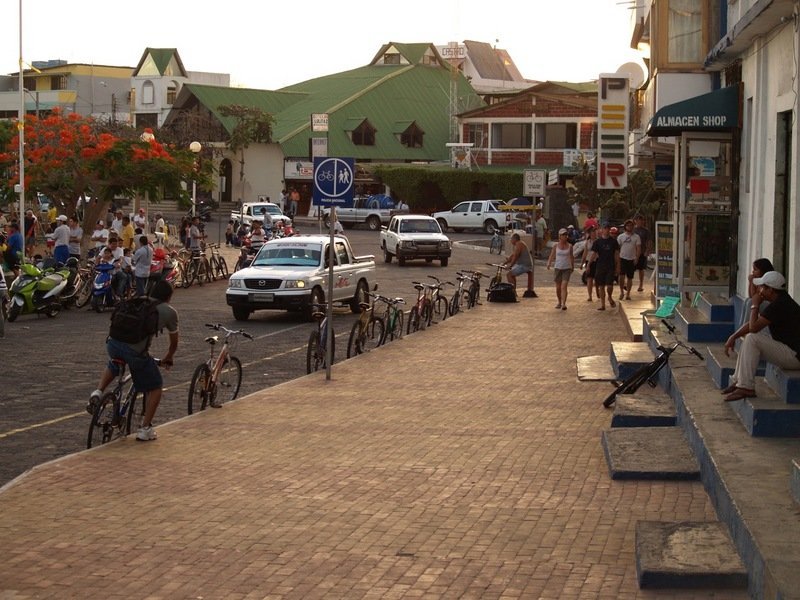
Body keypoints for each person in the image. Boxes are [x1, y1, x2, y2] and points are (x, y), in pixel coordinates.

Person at [88, 280, 179, 441]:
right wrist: (169, 357)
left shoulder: (136, 300)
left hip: (113, 343)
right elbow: (174, 342)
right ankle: (145, 428)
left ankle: (98, 391)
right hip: (135, 353)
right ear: (169, 295)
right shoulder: (169, 312)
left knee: (115, 362)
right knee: (155, 386)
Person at [722, 271, 800, 402]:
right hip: (789, 350)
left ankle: (746, 387)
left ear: (771, 290)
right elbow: (755, 323)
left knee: (752, 338)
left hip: (794, 357)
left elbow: (753, 328)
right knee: (751, 338)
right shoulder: (780, 300)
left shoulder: (780, 304)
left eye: (763, 287)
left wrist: (755, 304)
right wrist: (734, 336)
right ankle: (738, 381)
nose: (760, 290)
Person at [588, 223, 620, 311]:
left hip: (610, 265)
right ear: (602, 229)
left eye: (607, 228)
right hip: (600, 265)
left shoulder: (613, 242)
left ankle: (609, 296)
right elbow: (593, 254)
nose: (606, 230)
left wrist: (618, 266)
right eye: (605, 228)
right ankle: (603, 305)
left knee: (609, 285)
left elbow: (616, 254)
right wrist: (588, 264)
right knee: (601, 286)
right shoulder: (597, 242)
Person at [546, 228, 575, 310]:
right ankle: (559, 301)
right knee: (558, 287)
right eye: (563, 235)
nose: (565, 236)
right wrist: (549, 263)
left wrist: (572, 266)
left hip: (567, 268)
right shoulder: (556, 246)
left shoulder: (570, 246)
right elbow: (552, 255)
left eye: (566, 235)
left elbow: (571, 257)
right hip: (558, 267)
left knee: (564, 286)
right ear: (560, 236)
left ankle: (563, 303)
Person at [502, 233, 537, 297]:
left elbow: (515, 256)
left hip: (525, 265)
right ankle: (514, 291)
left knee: (509, 275)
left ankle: (512, 292)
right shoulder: (518, 244)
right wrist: (506, 262)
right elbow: (513, 255)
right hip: (523, 264)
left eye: (511, 239)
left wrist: (510, 265)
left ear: (514, 239)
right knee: (512, 274)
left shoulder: (519, 244)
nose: (510, 240)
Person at [616, 219, 641, 301]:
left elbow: (638, 248)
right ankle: (621, 292)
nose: (630, 227)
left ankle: (628, 293)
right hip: (622, 258)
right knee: (621, 276)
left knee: (630, 277)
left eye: (631, 225)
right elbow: (617, 249)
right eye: (628, 225)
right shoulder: (621, 237)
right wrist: (617, 259)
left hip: (631, 259)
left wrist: (637, 258)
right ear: (625, 227)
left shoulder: (636, 237)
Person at [633, 214, 651, 292]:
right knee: (630, 269)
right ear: (636, 221)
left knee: (641, 269)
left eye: (641, 220)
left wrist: (647, 251)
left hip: (642, 252)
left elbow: (649, 241)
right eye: (638, 220)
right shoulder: (633, 230)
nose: (639, 222)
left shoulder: (646, 231)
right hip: (633, 253)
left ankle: (641, 284)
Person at [581, 226, 598, 301]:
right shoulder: (587, 242)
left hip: (597, 261)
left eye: (595, 231)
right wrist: (582, 263)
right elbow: (585, 252)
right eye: (592, 232)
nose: (594, 233)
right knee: (589, 279)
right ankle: (590, 296)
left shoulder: (598, 241)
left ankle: (598, 291)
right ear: (590, 233)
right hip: (589, 262)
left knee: (597, 279)